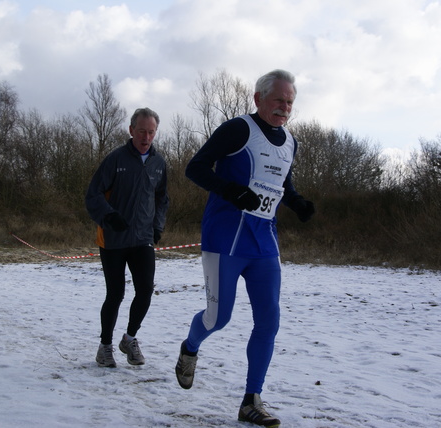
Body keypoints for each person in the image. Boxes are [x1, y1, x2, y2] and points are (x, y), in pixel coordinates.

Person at [174, 69, 314, 427]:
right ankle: (190, 347)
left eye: (290, 102)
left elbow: (283, 184)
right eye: (278, 100)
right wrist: (230, 190)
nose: (285, 107)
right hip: (225, 238)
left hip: (264, 241)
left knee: (269, 320)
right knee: (219, 318)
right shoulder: (237, 129)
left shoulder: (290, 141)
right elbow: (195, 168)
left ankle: (252, 399)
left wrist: (297, 202)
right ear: (258, 99)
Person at [85, 107, 169, 368]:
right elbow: (93, 194)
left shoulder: (159, 164)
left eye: (151, 132)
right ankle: (105, 346)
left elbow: (162, 198)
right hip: (113, 239)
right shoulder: (116, 159)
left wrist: (157, 227)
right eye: (141, 131)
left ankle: (129, 338)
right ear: (131, 130)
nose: (146, 136)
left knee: (145, 291)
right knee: (116, 293)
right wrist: (108, 217)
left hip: (143, 238)